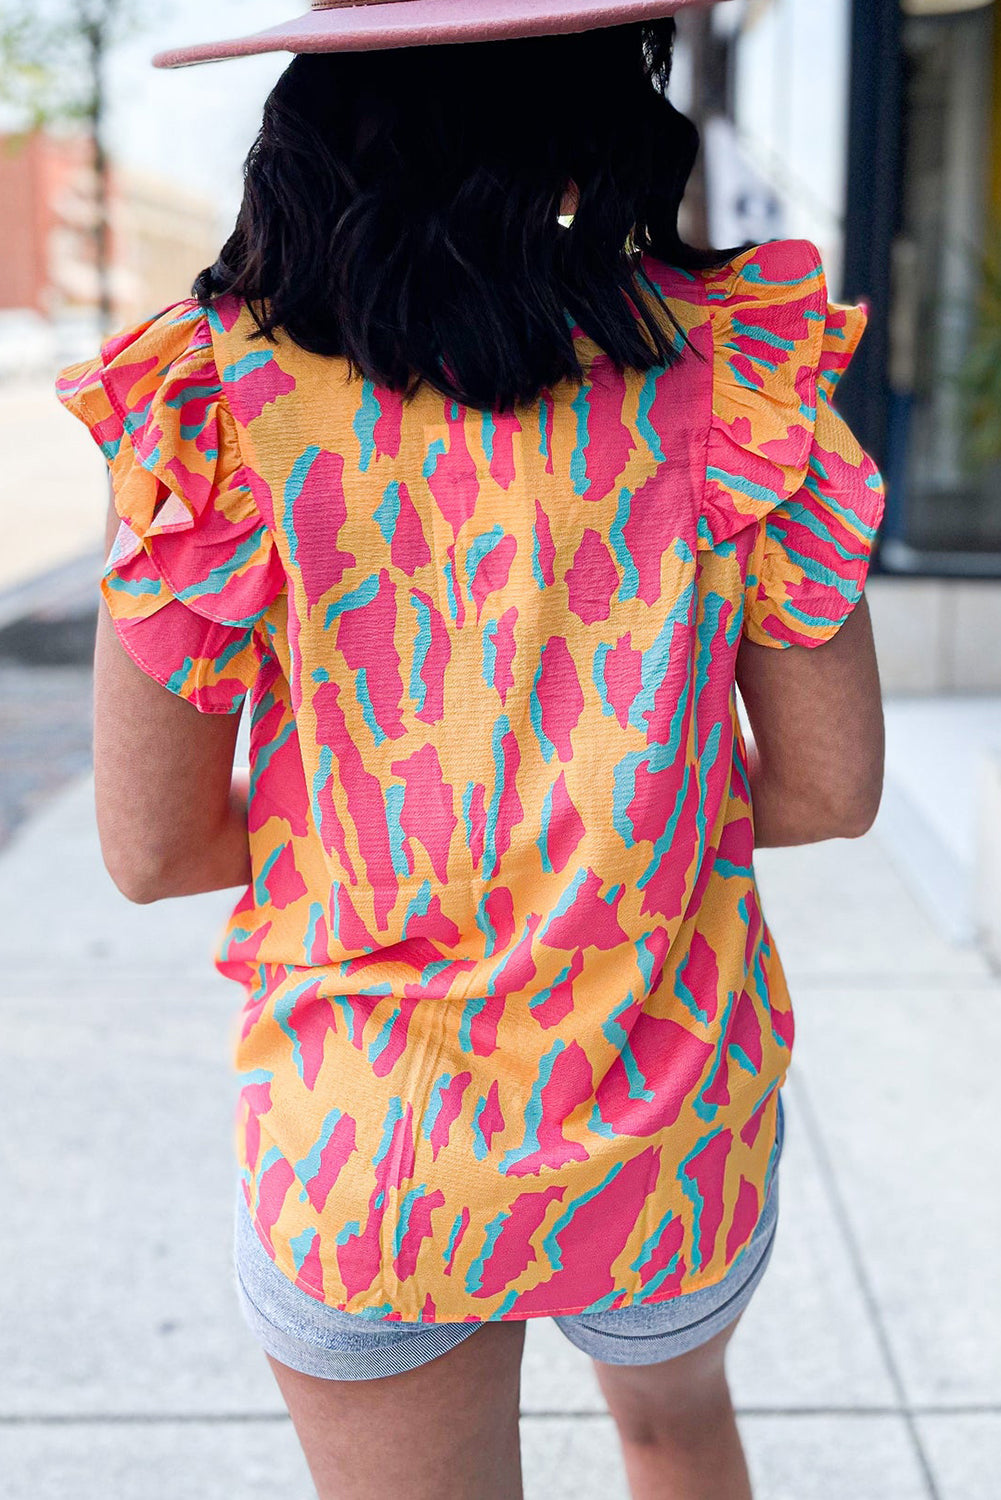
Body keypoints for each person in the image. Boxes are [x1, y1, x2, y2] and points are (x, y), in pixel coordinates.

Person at [55, 2, 886, 1496]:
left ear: (313, 114)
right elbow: (830, 790)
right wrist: (606, 807)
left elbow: (153, 847)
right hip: (665, 1126)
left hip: (368, 1148)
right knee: (673, 1431)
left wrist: (396, 822)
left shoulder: (221, 406)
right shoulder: (733, 377)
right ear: (601, 119)